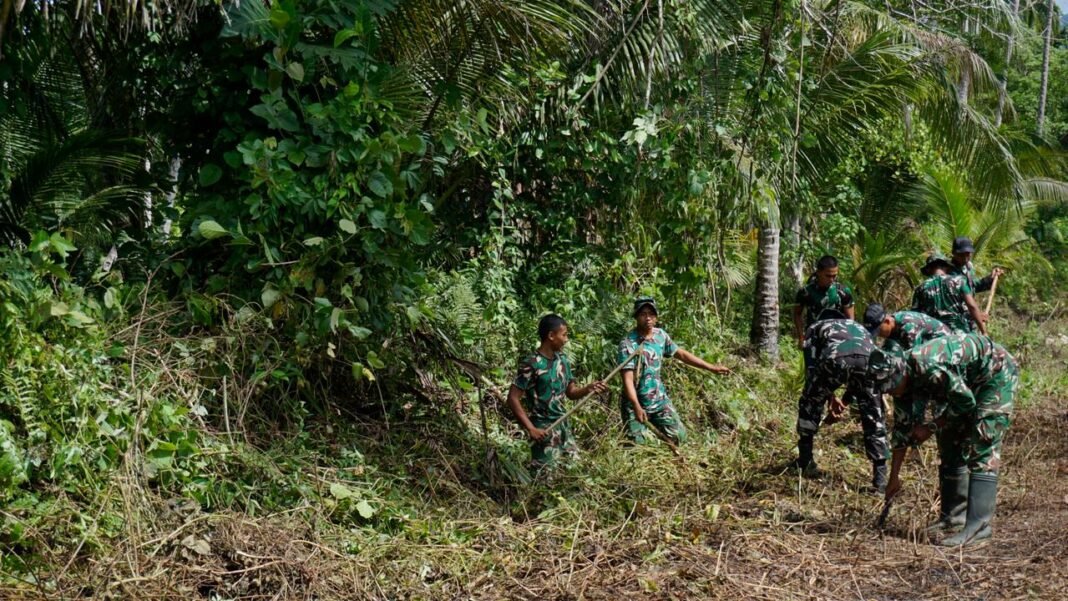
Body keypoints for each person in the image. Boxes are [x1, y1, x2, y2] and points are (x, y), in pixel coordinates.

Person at [870, 333, 1018, 547]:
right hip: (966, 383)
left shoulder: (929, 367)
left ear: (901, 372)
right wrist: (893, 478)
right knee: (949, 439)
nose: (892, 391)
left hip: (994, 374)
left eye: (892, 386)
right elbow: (902, 431)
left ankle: (979, 527)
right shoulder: (901, 383)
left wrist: (930, 426)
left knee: (983, 438)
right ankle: (953, 518)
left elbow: (966, 403)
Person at [794, 315, 889, 491]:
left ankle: (805, 461)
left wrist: (827, 396)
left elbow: (813, 369)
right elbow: (857, 376)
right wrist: (841, 401)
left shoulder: (814, 327)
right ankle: (880, 480)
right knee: (873, 414)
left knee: (810, 401)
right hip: (868, 361)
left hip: (835, 360)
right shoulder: (857, 327)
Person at [618, 297, 730, 445]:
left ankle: (663, 441)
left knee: (679, 437)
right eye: (643, 314)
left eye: (651, 314)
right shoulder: (628, 344)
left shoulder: (661, 336)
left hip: (658, 401)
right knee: (640, 446)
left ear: (656, 317)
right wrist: (637, 407)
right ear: (636, 317)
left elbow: (681, 354)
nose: (648, 318)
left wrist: (711, 367)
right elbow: (627, 380)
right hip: (634, 404)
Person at [508, 314, 606, 472]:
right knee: (546, 479)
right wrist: (531, 428)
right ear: (551, 336)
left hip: (563, 428)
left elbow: (571, 392)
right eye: (564, 335)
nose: (566, 339)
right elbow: (513, 398)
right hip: (544, 431)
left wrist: (588, 388)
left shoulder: (563, 360)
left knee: (574, 474)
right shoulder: (531, 364)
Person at [911, 252, 987, 335]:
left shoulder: (920, 288)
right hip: (959, 332)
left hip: (933, 334)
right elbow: (972, 306)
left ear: (929, 269)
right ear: (946, 267)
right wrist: (983, 331)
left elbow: (915, 316)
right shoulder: (959, 281)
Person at [793, 255, 855, 349]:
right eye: (828, 276)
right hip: (813, 339)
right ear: (818, 272)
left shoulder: (843, 292)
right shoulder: (805, 292)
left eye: (834, 276)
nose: (831, 279)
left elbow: (850, 319)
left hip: (837, 340)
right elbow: (797, 314)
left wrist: (850, 339)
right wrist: (801, 337)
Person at [863, 304, 951, 355]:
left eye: (879, 331)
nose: (878, 335)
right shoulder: (893, 326)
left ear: (887, 321)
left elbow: (914, 356)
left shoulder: (909, 326)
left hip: (945, 346)